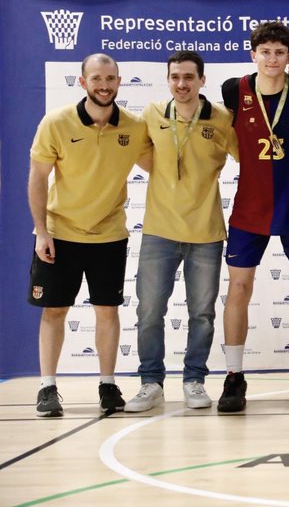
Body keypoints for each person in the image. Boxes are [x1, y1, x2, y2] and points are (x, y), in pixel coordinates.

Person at [28, 54, 149, 417]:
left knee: (107, 311)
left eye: (111, 78)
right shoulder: (57, 123)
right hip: (60, 233)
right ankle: (47, 387)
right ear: (83, 82)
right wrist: (41, 231)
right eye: (96, 78)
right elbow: (37, 177)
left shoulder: (134, 126)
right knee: (54, 310)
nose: (104, 84)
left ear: (119, 81)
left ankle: (108, 384)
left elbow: (161, 165)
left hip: (109, 235)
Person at [124, 52, 238, 413]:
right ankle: (150, 383)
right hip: (159, 229)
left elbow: (249, 158)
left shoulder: (222, 118)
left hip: (205, 231)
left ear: (202, 80)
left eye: (189, 77)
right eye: (175, 77)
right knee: (149, 311)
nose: (182, 84)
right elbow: (144, 158)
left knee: (202, 313)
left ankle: (194, 380)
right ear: (168, 79)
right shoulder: (153, 113)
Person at [219, 22, 289, 414]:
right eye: (266, 52)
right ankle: (233, 376)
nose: (273, 58)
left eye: (280, 52)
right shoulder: (235, 89)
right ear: (253, 55)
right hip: (251, 201)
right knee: (239, 288)